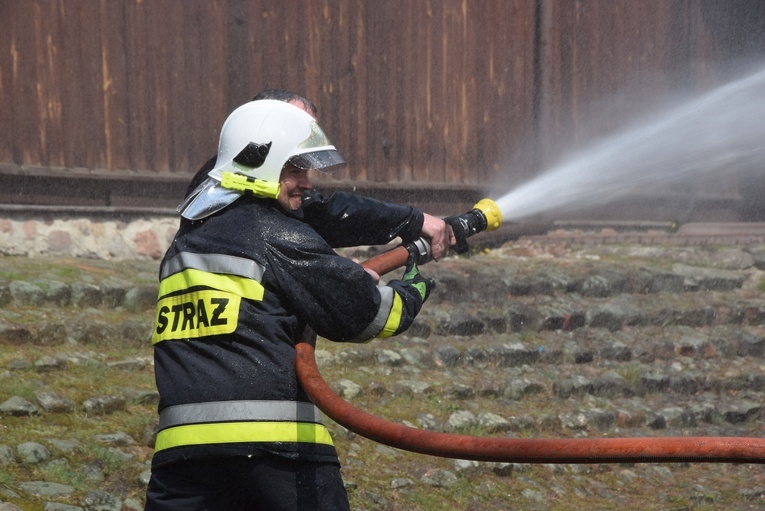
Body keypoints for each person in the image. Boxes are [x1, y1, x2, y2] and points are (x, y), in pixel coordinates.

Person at [145, 95, 453, 510]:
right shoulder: (275, 233)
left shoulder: (185, 243)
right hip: (275, 450)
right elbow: (371, 314)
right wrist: (414, 283)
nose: (307, 183)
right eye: (295, 169)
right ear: (260, 163)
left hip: (181, 458)